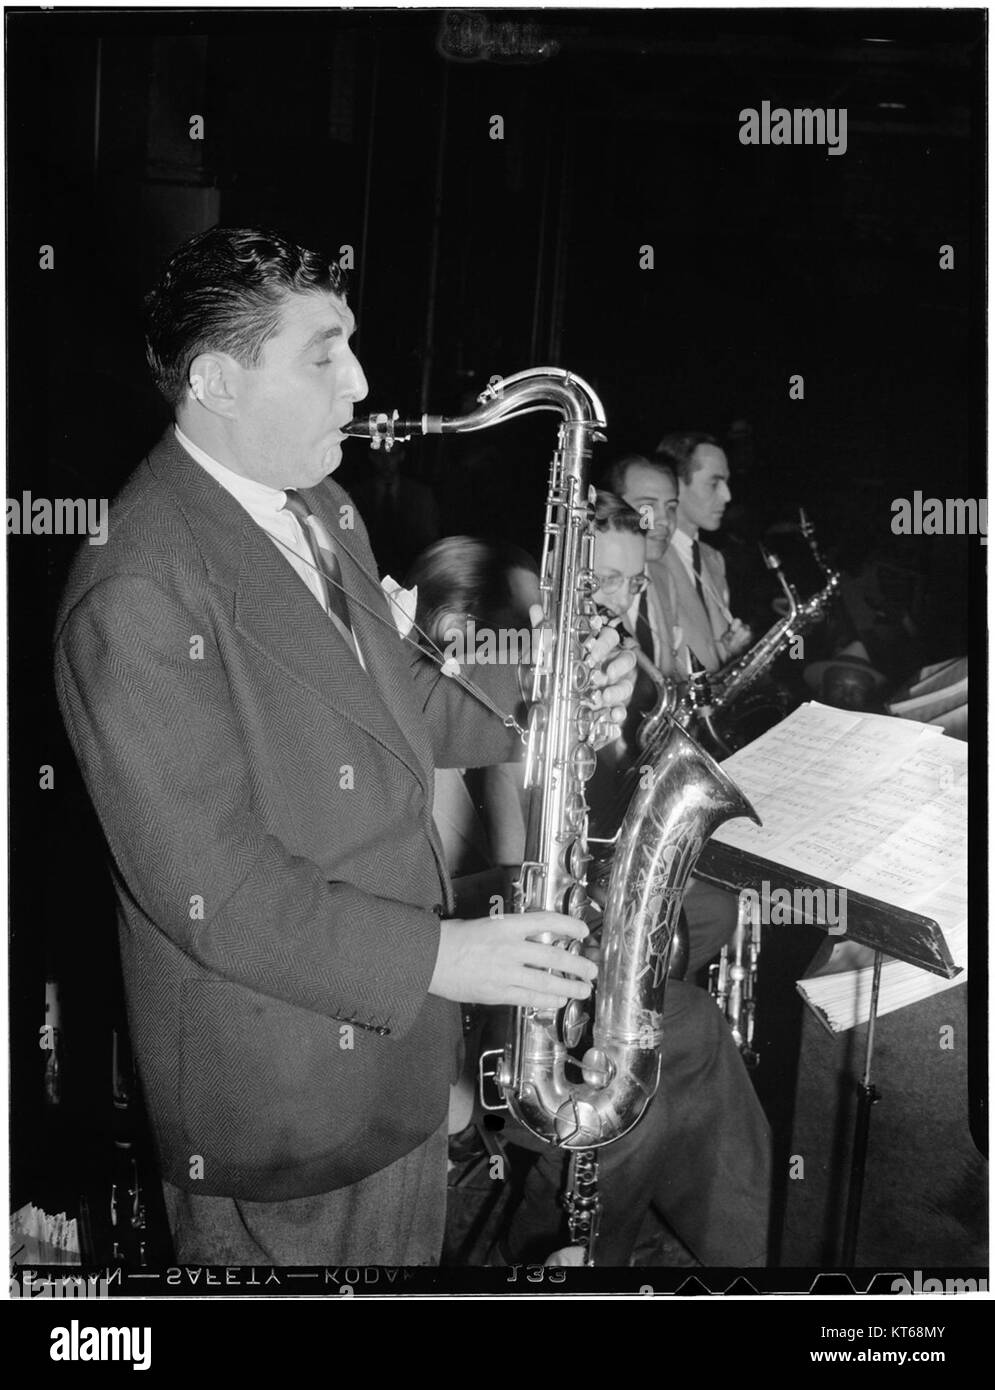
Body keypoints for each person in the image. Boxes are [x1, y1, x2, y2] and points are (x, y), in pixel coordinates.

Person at [53, 225, 635, 1267]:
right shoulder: (134, 590)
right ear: (218, 382)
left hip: (394, 1062)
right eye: (324, 354)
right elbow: (215, 893)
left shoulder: (317, 504)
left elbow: (388, 697)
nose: (361, 383)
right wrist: (446, 956)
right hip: (283, 1109)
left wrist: (547, 711)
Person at [409, 535, 771, 1266]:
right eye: (527, 634)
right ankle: (579, 1243)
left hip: (511, 985)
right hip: (460, 1042)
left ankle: (740, 1262)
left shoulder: (472, 716)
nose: (548, 651)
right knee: (676, 1036)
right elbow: (508, 883)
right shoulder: (425, 746)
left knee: (680, 1029)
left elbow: (527, 876)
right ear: (455, 638)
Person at [653, 431, 753, 673]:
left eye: (726, 483)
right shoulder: (650, 557)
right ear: (675, 484)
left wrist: (729, 650)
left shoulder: (713, 559)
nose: (727, 496)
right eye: (714, 483)